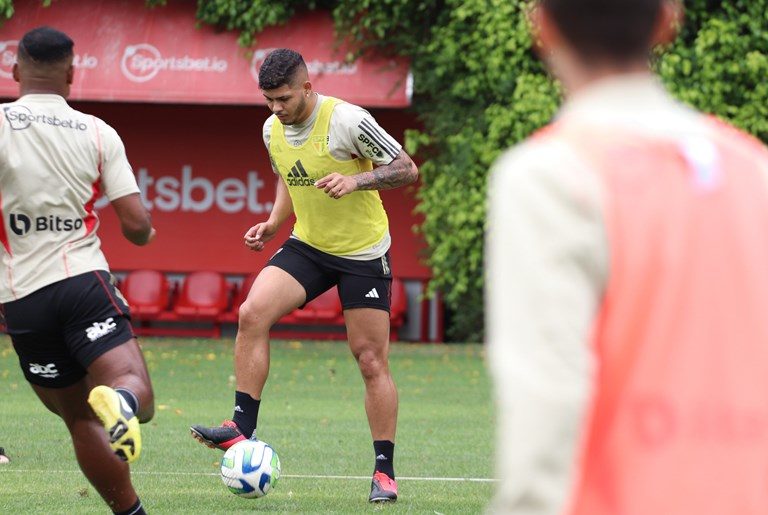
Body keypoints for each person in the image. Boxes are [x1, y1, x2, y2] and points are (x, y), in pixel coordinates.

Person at [486, 0, 768, 514]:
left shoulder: (549, 175)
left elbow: (546, 399)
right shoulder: (753, 169)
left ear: (541, 26)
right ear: (669, 19)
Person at [191, 48, 418, 503]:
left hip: (362, 253)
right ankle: (240, 428)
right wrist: (274, 223)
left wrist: (356, 181)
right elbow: (287, 176)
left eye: (285, 99)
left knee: (370, 359)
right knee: (252, 313)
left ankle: (384, 473)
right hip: (309, 245)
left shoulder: (348, 121)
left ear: (308, 89)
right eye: (269, 99)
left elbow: (406, 169)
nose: (277, 108)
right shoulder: (271, 127)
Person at [1, 27, 156, 515]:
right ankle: (124, 406)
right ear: (71, 74)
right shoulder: (97, 131)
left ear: (15, 71)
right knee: (134, 389)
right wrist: (144, 234)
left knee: (78, 417)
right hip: (80, 280)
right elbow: (135, 226)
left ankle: (130, 512)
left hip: (21, 298)